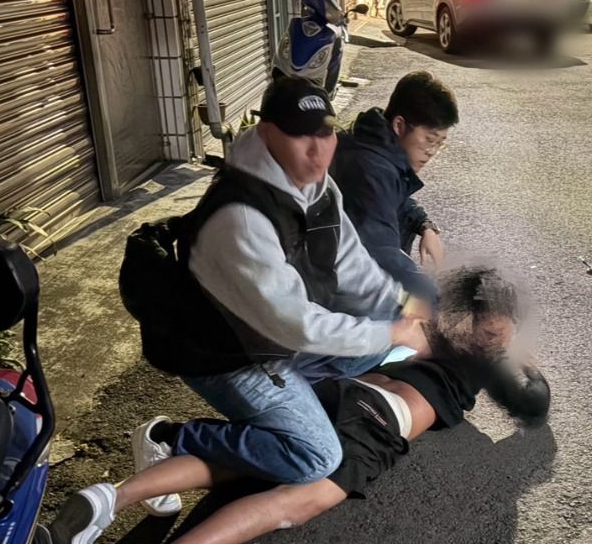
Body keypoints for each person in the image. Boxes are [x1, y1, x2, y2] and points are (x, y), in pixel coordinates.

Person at [32, 266, 550, 544]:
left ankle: (107, 499)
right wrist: (515, 359)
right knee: (295, 503)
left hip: (340, 392)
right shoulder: (484, 354)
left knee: (250, 460)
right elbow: (531, 400)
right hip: (378, 424)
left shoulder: (428, 318)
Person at [120, 77, 429, 520]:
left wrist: (402, 308)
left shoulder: (319, 186)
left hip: (270, 333)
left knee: (381, 331)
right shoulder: (240, 216)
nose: (318, 150)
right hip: (228, 354)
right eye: (301, 135)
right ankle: (172, 439)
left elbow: (352, 264)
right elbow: (295, 325)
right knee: (317, 457)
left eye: (326, 133)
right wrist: (390, 332)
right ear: (266, 134)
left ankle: (287, 407)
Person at [330, 71, 459, 300]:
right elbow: (381, 257)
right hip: (342, 294)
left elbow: (391, 199)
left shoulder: (374, 149)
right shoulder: (370, 168)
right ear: (399, 125)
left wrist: (423, 224)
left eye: (440, 143)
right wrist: (436, 300)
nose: (432, 152)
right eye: (429, 140)